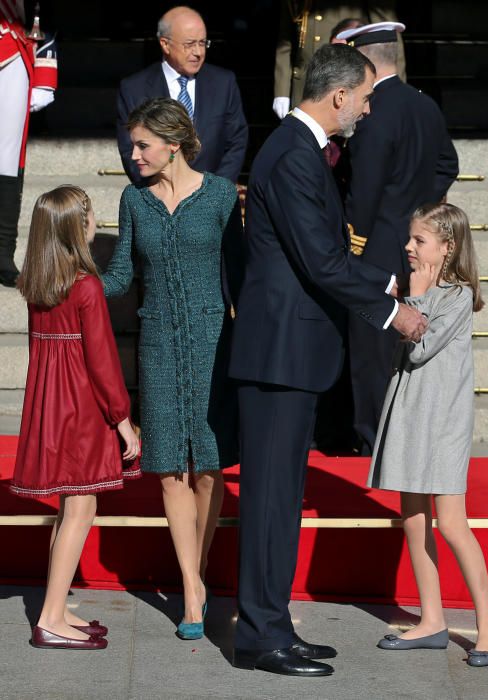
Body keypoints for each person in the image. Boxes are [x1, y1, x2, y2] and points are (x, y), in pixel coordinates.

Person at [229, 43, 427, 678]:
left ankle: (275, 624)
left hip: (293, 351)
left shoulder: (300, 151)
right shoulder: (291, 153)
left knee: (281, 501)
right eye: (366, 99)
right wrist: (390, 308)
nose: (367, 111)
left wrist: (387, 286)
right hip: (278, 354)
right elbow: (320, 258)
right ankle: (260, 637)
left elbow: (324, 253)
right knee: (268, 502)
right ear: (339, 95)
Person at [103, 97, 243, 641]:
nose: (133, 154)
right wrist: (75, 287)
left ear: (173, 143)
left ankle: (198, 573)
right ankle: (191, 587)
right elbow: (120, 275)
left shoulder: (219, 196)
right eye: (132, 144)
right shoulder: (134, 200)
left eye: (142, 145)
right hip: (158, 341)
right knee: (168, 468)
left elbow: (240, 272)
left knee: (208, 468)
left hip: (214, 341)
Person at [368, 203, 488, 668]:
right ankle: (431, 619)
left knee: (450, 522)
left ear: (447, 248)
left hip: (442, 421)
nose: (408, 247)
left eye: (419, 240)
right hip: (411, 413)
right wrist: (409, 296)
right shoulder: (419, 289)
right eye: (410, 239)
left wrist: (417, 297)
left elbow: (422, 346)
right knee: (413, 515)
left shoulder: (457, 296)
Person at [11, 185, 140, 650]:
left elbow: (37, 353)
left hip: (51, 401)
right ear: (78, 227)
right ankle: (49, 619)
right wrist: (122, 419)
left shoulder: (37, 285)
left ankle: (56, 605)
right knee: (81, 508)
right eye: (90, 217)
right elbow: (103, 362)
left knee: (68, 509)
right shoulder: (86, 286)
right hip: (83, 407)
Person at [341, 21, 459, 454]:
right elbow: (448, 163)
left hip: (375, 245)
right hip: (419, 246)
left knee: (371, 350)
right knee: (409, 345)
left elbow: (365, 191)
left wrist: (356, 242)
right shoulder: (424, 105)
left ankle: (373, 439)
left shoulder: (373, 112)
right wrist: (422, 215)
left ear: (365, 59)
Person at [117, 5, 248, 185]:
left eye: (202, 43)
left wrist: (215, 193)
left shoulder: (223, 83)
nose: (198, 52)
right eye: (189, 44)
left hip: (213, 197)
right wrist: (160, 193)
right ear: (165, 44)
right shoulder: (134, 88)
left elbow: (236, 141)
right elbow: (129, 149)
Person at [0, 1, 57, 286]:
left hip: (13, 45)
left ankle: (2, 253)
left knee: (8, 160)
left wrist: (46, 75)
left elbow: (43, 11)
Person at [273, 1, 405, 119]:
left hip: (347, 82)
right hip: (305, 84)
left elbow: (389, 35)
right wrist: (282, 91)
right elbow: (285, 40)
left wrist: (394, 88)